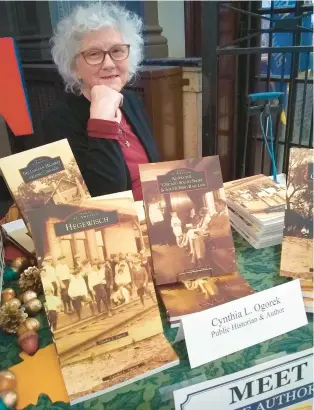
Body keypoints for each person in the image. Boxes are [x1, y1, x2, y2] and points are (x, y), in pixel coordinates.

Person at [42, 3, 159, 201]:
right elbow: (104, 199)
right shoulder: (58, 121)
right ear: (74, 67)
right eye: (94, 54)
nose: (109, 64)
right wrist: (101, 120)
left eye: (117, 51)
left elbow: (152, 170)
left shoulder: (130, 100)